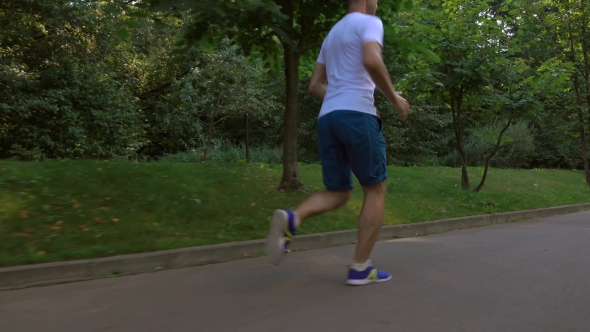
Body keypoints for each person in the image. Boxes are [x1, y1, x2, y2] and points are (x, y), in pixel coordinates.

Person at [266, 0, 410, 286]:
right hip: (356, 116)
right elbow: (371, 60)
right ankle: (360, 267)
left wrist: (342, 101)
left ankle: (294, 217)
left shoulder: (332, 34)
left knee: (339, 192)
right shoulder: (370, 22)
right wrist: (394, 98)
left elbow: (315, 85)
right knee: (376, 190)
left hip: (328, 118)